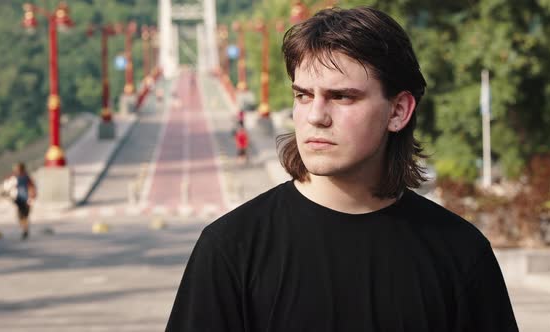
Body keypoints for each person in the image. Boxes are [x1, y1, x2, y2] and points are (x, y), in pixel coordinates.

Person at [166, 7, 518, 331]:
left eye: (342, 97)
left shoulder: (461, 253)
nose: (316, 116)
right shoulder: (231, 249)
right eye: (303, 95)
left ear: (398, 111)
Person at [3, 162, 36, 240]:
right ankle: (25, 229)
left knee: (23, 215)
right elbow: (9, 187)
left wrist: (31, 197)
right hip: (18, 199)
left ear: (21, 169)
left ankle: (25, 229)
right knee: (22, 216)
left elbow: (31, 187)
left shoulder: (24, 177)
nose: (15, 170)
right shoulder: (15, 177)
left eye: (17, 169)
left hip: (25, 199)